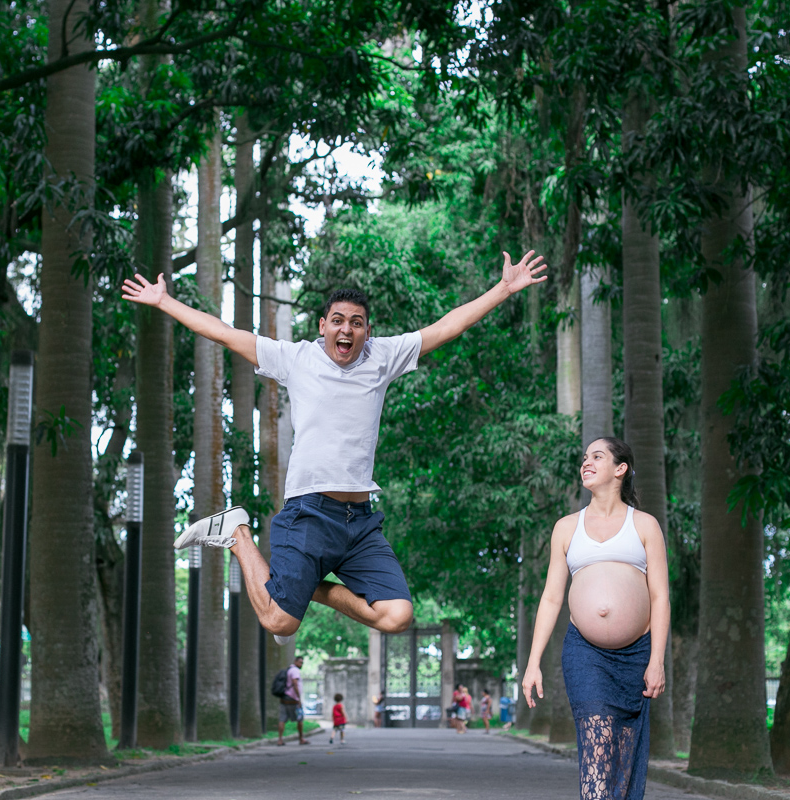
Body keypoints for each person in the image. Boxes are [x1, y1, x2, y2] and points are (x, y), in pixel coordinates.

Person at [122, 252, 546, 644]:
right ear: (323, 325)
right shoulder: (296, 358)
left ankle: (304, 587)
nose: (347, 329)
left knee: (397, 615)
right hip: (309, 512)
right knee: (279, 622)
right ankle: (237, 534)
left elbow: (447, 326)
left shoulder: (384, 356)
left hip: (359, 522)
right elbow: (224, 333)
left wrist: (504, 289)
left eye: (357, 322)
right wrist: (164, 302)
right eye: (338, 320)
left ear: (366, 330)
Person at [521, 437, 669, 800]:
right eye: (585, 457)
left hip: (637, 655)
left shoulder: (645, 525)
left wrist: (657, 661)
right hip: (585, 654)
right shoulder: (567, 527)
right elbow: (552, 597)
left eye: (597, 456)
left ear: (621, 469)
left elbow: (660, 597)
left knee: (623, 754)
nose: (586, 462)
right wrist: (533, 662)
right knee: (596, 746)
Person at [278, 655, 308, 746]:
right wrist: (298, 698)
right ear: (295, 662)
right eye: (300, 662)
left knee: (282, 719)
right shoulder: (295, 671)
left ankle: (280, 740)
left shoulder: (289, 670)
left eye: (302, 663)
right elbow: (295, 683)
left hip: (284, 698)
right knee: (300, 719)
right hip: (293, 699)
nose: (301, 664)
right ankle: (301, 739)